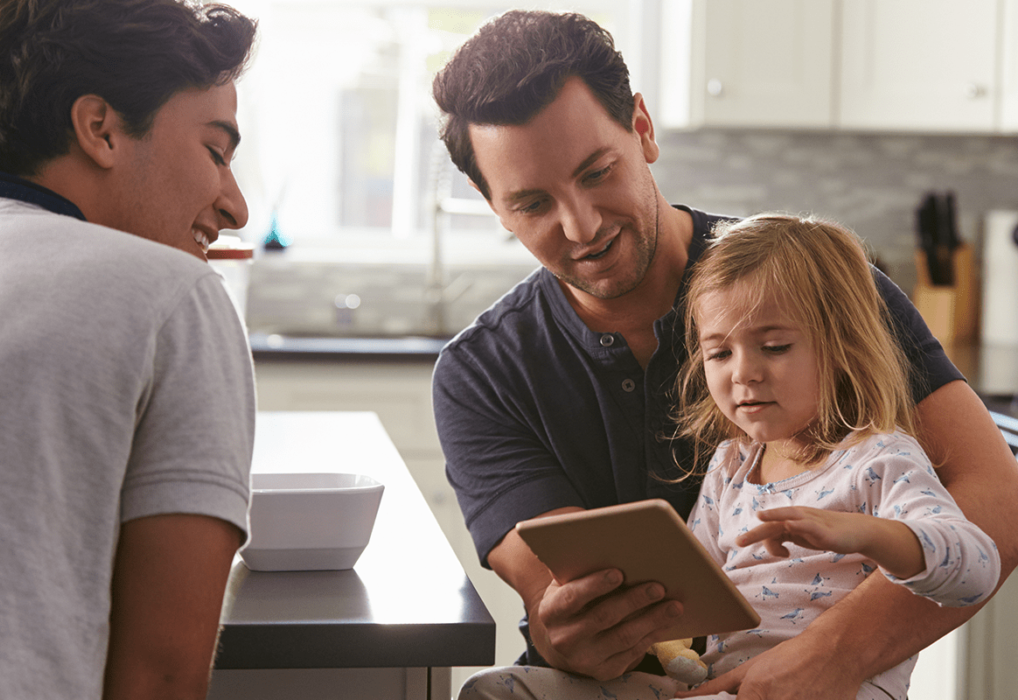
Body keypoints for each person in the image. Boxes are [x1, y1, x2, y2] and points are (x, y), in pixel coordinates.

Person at [431, 10, 1018, 699]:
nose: (581, 227)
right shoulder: (482, 375)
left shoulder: (809, 284)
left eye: (596, 173)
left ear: (642, 131)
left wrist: (835, 654)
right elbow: (562, 588)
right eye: (532, 203)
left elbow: (997, 504)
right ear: (489, 202)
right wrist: (568, 628)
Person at [458, 214, 1003, 700]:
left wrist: (865, 535)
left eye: (774, 346)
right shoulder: (731, 466)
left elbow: (977, 567)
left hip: (837, 690)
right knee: (495, 688)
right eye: (720, 352)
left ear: (841, 350)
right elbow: (694, 588)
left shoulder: (879, 459)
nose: (743, 372)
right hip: (714, 682)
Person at [0, 1, 257, 698]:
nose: (236, 206)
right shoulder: (169, 296)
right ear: (100, 129)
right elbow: (161, 677)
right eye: (215, 151)